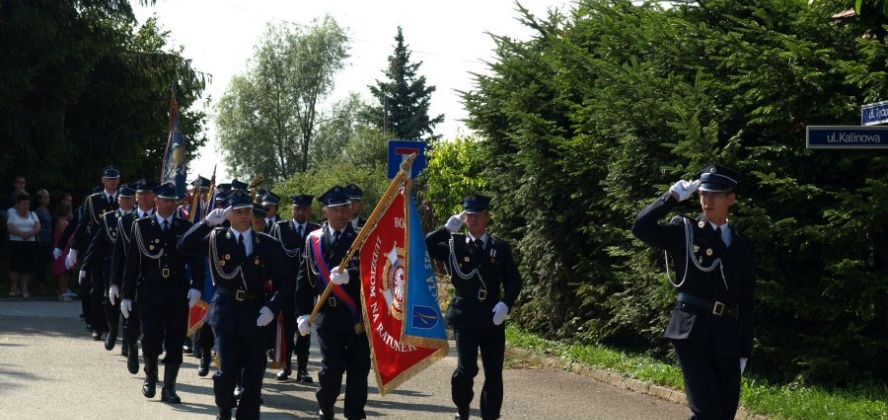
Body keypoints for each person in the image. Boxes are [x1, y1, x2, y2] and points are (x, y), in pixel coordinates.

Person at [631, 164, 756, 420]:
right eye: (703, 194)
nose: (707, 200)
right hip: (692, 330)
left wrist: (745, 349)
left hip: (727, 335)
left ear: (731, 198)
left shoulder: (742, 245)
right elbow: (641, 228)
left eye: (715, 195)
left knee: (724, 414)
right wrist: (671, 197)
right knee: (707, 412)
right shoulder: (684, 231)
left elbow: (747, 300)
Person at [178, 189, 292, 420]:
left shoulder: (266, 243)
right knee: (226, 373)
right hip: (227, 313)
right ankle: (223, 409)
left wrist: (272, 307)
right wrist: (207, 222)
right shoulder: (216, 239)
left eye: (246, 211)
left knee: (253, 375)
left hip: (256, 313)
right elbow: (183, 245)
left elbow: (286, 279)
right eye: (237, 212)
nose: (242, 216)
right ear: (228, 214)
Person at [425, 194, 522, 420]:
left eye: (478, 215)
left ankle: (490, 416)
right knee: (467, 369)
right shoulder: (453, 244)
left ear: (487, 217)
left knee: (494, 372)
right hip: (465, 316)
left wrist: (505, 304)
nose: (473, 219)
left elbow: (514, 280)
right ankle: (462, 408)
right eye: (469, 215)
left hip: (491, 315)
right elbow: (423, 246)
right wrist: (447, 228)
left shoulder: (500, 247)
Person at [120, 182, 204, 404]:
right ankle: (150, 377)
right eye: (165, 199)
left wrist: (197, 286)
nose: (169, 204)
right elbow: (131, 264)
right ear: (155, 200)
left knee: (176, 338)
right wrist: (126, 295)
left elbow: (196, 260)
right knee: (150, 336)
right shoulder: (141, 226)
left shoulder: (184, 227)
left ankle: (169, 387)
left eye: (173, 200)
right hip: (150, 287)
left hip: (177, 288)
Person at [295, 185, 368, 420]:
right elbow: (304, 280)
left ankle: (355, 414)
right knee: (332, 369)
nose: (341, 214)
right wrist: (302, 314)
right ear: (325, 212)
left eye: (345, 208)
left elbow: (373, 273)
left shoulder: (361, 238)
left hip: (357, 316)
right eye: (335, 209)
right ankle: (326, 407)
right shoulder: (313, 240)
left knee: (358, 369)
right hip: (328, 315)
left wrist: (351, 275)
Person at [67, 166, 121, 340]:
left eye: (115, 179)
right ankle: (97, 325)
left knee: (114, 287)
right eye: (109, 179)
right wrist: (73, 248)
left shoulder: (125, 198)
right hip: (97, 249)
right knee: (96, 288)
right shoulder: (93, 200)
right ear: (103, 181)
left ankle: (111, 323)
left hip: (118, 249)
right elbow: (83, 224)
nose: (112, 181)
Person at [270, 193, 319, 383]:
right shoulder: (280, 228)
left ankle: (303, 369)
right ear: (292, 209)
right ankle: (286, 366)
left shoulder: (316, 231)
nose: (301, 212)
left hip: (308, 289)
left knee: (305, 329)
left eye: (304, 209)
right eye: (297, 208)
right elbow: (272, 258)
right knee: (287, 329)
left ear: (310, 211)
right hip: (286, 288)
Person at [81, 184, 135, 351]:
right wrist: (85, 266)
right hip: (112, 266)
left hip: (132, 267)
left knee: (131, 302)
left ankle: (127, 340)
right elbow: (96, 243)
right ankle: (112, 330)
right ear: (118, 199)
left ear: (134, 200)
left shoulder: (138, 219)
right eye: (123, 198)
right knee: (110, 301)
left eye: (129, 198)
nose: (126, 201)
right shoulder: (109, 218)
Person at [111, 179, 157, 372]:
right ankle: (131, 348)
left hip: (154, 281)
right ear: (136, 196)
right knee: (130, 324)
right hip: (132, 279)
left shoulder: (160, 220)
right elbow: (119, 254)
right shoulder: (126, 221)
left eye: (148, 193)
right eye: (141, 193)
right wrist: (114, 282)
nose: (145, 196)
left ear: (154, 196)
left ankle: (150, 365)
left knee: (152, 327)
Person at [6, 191, 40, 298]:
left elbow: (38, 227)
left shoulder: (33, 214)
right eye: (24, 204)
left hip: (29, 243)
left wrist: (29, 233)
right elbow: (10, 227)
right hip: (16, 242)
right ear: (18, 204)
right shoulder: (12, 213)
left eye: (27, 204)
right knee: (15, 265)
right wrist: (21, 233)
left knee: (27, 266)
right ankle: (14, 287)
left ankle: (24, 287)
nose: (26, 206)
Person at [52, 192, 76, 301]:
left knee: (66, 270)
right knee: (61, 270)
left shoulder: (67, 221)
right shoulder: (61, 221)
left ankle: (65, 289)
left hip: (68, 249)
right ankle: (61, 292)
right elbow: (64, 236)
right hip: (62, 249)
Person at [33, 189, 53, 295]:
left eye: (48, 197)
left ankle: (43, 281)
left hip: (48, 238)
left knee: (45, 262)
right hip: (41, 239)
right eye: (45, 197)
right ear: (40, 199)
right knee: (41, 262)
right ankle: (40, 283)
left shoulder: (48, 211)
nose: (47, 199)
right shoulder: (38, 211)